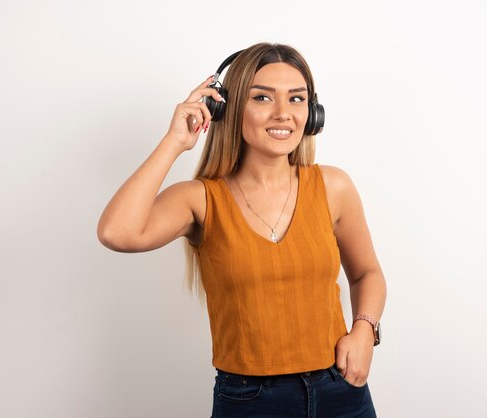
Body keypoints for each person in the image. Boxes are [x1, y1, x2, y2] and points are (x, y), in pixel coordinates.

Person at [97, 42, 387, 418]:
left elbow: (367, 273)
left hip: (341, 391)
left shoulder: (333, 187)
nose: (283, 114)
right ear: (229, 109)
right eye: (263, 97)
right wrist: (175, 142)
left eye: (297, 99)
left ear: (313, 114)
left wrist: (364, 331)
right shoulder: (199, 200)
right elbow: (117, 232)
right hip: (250, 400)